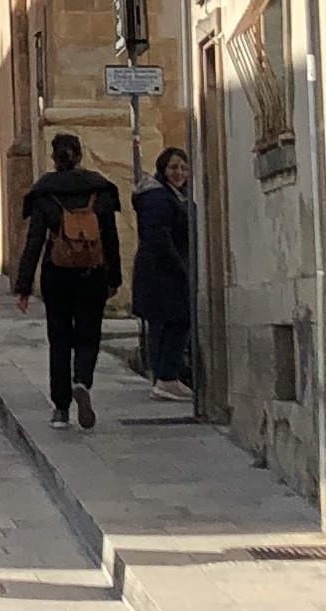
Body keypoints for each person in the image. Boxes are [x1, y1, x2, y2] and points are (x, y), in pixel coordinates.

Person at [11, 131, 128, 430]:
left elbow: (34, 241)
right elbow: (110, 239)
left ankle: (61, 409)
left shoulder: (45, 191)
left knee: (59, 338)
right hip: (93, 272)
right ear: (79, 155)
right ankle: (83, 381)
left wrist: (23, 286)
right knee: (89, 334)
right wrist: (114, 278)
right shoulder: (100, 189)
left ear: (54, 156)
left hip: (57, 274)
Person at [132, 148, 199, 403]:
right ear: (162, 169)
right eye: (173, 167)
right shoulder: (157, 198)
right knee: (178, 321)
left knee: (172, 322)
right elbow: (158, 236)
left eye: (183, 167)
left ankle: (165, 377)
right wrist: (179, 267)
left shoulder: (176, 195)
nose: (179, 172)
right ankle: (166, 377)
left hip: (170, 270)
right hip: (163, 272)